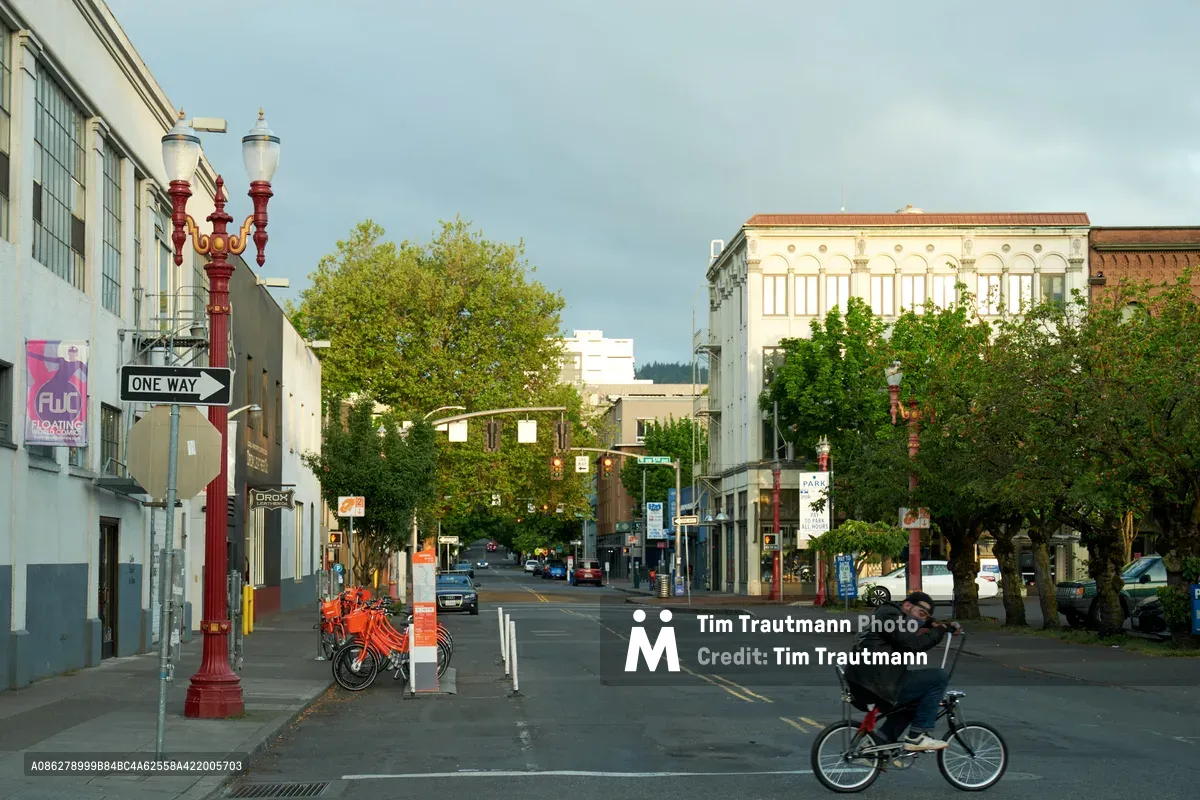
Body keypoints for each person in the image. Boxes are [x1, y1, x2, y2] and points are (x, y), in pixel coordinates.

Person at [843, 591, 961, 751]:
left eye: (925, 617)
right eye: (921, 613)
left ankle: (881, 741)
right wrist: (939, 631)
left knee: (915, 700)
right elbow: (912, 644)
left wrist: (937, 625)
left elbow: (908, 629)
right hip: (876, 683)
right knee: (938, 678)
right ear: (906, 605)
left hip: (869, 681)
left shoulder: (888, 615)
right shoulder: (889, 616)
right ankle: (918, 736)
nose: (921, 619)